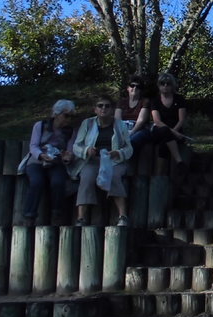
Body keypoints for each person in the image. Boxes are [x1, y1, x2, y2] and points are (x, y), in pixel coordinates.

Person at [71, 94, 133, 226]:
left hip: (114, 160)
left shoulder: (120, 125)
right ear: (95, 109)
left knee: (114, 176)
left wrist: (118, 153)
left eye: (107, 106)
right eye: (100, 106)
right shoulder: (87, 123)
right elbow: (76, 146)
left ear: (112, 109)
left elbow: (129, 148)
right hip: (92, 160)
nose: (103, 108)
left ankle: (122, 216)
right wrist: (86, 150)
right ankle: (81, 218)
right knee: (86, 177)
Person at [23, 100, 77, 223]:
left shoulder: (70, 131)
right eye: (66, 115)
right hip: (37, 161)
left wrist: (68, 157)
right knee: (36, 182)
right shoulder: (40, 126)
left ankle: (57, 213)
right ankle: (29, 215)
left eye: (71, 117)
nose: (69, 119)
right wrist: (41, 155)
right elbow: (33, 146)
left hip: (57, 162)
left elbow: (70, 149)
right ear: (56, 114)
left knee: (58, 182)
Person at [149, 72, 187, 171]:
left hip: (176, 128)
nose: (165, 86)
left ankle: (159, 175)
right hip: (160, 130)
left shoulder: (179, 99)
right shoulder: (155, 101)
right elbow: (157, 121)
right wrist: (173, 132)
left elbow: (181, 120)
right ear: (159, 85)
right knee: (165, 131)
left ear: (172, 85)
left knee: (164, 143)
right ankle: (179, 161)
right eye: (162, 83)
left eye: (168, 83)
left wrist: (175, 131)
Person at [115, 74, 152, 148]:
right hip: (123, 129)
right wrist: (122, 133)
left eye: (138, 87)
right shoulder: (121, 102)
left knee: (131, 141)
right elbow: (117, 119)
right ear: (128, 88)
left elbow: (141, 121)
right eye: (132, 85)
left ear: (141, 90)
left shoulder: (144, 102)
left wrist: (131, 133)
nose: (135, 88)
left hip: (139, 130)